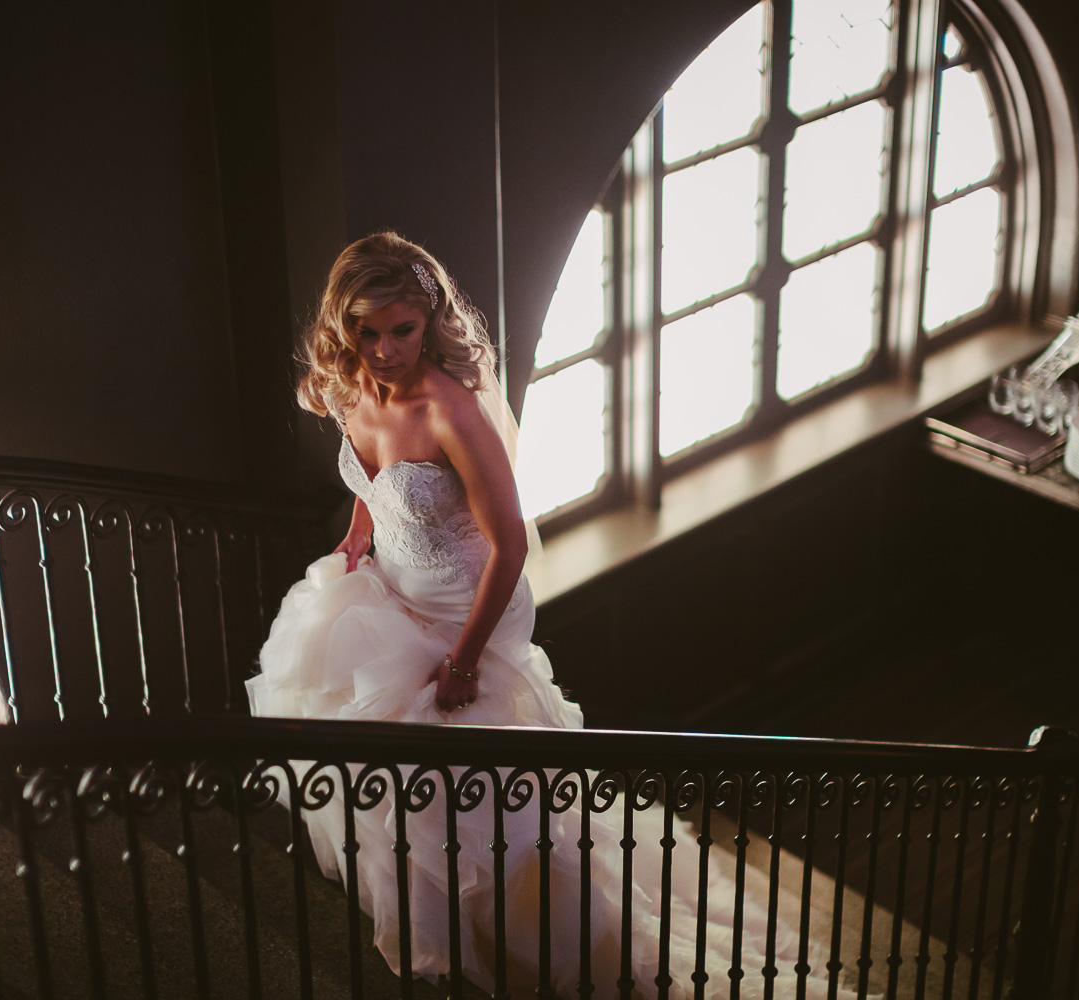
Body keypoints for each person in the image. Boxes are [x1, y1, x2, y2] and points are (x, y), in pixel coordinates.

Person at [247, 233, 834, 999]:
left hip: (467, 604)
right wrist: (362, 530)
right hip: (390, 582)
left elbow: (509, 550)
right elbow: (371, 475)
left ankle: (522, 944)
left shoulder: (453, 412)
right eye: (366, 330)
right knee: (365, 747)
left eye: (403, 330)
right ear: (343, 325)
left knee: (481, 799)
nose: (385, 350)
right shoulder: (349, 385)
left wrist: (462, 662)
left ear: (427, 323)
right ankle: (437, 925)